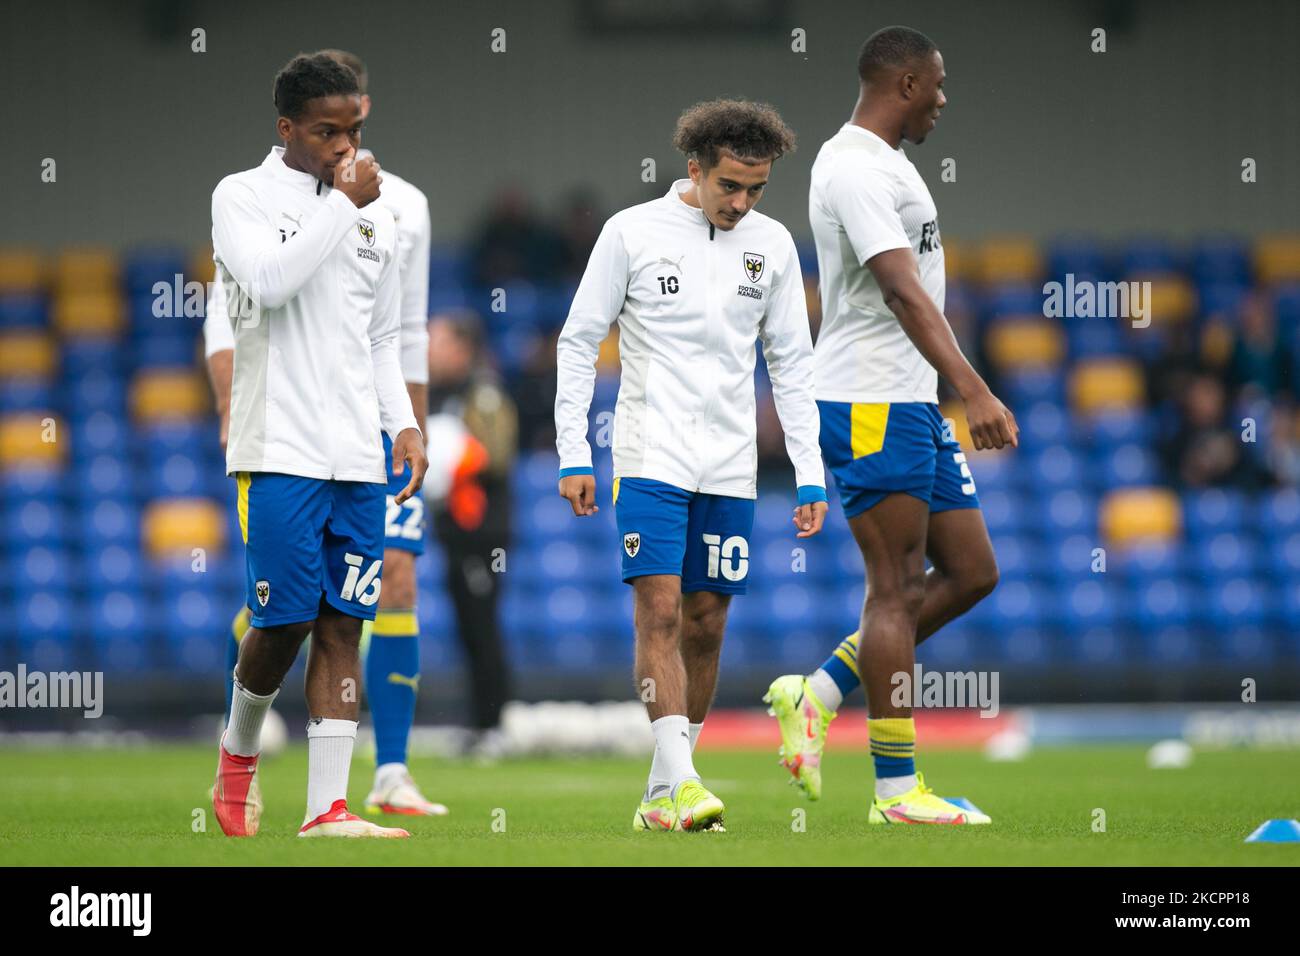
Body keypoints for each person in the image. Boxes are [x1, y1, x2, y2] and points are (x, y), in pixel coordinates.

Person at [764, 26, 1015, 825]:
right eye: (936, 85)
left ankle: (820, 692)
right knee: (896, 591)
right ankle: (895, 791)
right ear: (904, 83)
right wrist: (973, 389)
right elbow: (905, 292)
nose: (943, 99)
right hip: (870, 402)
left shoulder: (891, 164)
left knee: (973, 571)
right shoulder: (853, 170)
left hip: (907, 403)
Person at [555, 99, 828, 832]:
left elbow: (792, 363)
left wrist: (809, 470)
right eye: (729, 186)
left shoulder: (771, 246)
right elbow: (579, 342)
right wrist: (574, 450)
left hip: (732, 465)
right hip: (651, 453)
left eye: (756, 190)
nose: (741, 203)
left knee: (706, 623)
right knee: (663, 609)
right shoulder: (631, 233)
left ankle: (660, 793)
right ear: (694, 169)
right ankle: (682, 783)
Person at [204, 49, 447, 819]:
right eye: (326, 132)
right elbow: (271, 285)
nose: (344, 147)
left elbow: (380, 339)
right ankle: (236, 762)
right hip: (279, 446)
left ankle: (327, 811)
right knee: (284, 622)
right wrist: (343, 203)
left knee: (346, 622)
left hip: (358, 458)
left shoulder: (383, 213)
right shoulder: (241, 195)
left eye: (354, 130)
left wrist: (404, 426)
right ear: (287, 128)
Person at [424, 311, 517, 755]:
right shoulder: (444, 394)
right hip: (455, 532)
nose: (429, 351)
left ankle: (493, 723)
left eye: (438, 342)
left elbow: (496, 456)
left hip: (482, 532)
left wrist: (454, 459)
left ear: (462, 348)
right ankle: (479, 721)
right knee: (467, 625)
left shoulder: (483, 394)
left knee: (482, 624)